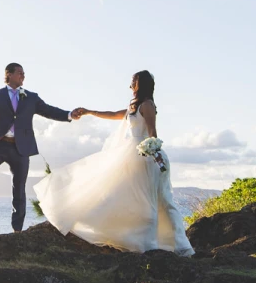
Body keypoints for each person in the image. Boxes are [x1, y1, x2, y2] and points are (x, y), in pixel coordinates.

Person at [33, 70, 195, 255]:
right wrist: (90, 112)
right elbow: (114, 114)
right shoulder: (134, 105)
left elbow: (152, 132)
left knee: (161, 200)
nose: (130, 86)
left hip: (148, 158)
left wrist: (154, 153)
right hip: (133, 156)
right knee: (134, 199)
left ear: (140, 84)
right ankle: (144, 243)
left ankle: (178, 246)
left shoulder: (148, 105)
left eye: (132, 82)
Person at [0, 62, 79, 233]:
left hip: (21, 148)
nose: (23, 76)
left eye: (24, 73)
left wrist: (69, 114)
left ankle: (17, 230)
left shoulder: (31, 97)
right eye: (19, 73)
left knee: (19, 188)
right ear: (8, 74)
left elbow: (49, 110)